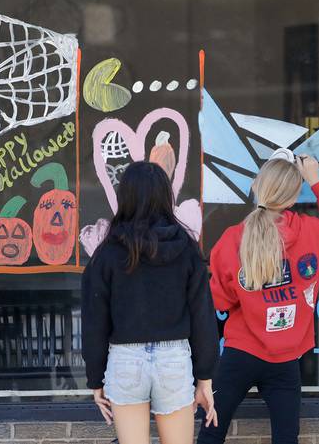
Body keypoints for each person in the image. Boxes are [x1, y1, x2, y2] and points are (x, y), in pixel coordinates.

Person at [198, 152, 319, 444]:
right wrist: (316, 181)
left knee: (211, 432)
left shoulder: (232, 239)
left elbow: (220, 301)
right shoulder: (312, 232)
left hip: (239, 354)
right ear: (293, 199)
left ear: (256, 187)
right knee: (286, 438)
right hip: (286, 358)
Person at [82, 161, 220, 444]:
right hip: (174, 360)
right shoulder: (186, 247)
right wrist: (204, 376)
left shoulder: (107, 253)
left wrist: (95, 378)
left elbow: (94, 321)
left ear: (125, 197)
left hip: (125, 360)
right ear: (165, 196)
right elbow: (202, 316)